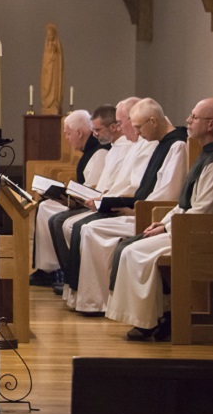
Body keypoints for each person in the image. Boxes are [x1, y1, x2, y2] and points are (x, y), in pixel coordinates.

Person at [106, 98, 213, 341]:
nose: (188, 120)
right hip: (186, 228)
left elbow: (202, 212)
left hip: (199, 235)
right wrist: (164, 223)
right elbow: (185, 203)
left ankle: (149, 321)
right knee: (131, 247)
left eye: (194, 117)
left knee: (136, 253)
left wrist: (169, 228)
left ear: (210, 124)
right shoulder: (205, 155)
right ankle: (160, 314)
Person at [65, 98, 188, 315]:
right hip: (143, 209)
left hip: (150, 214)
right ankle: (93, 300)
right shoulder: (163, 143)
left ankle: (100, 302)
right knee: (86, 228)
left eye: (138, 127)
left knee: (92, 230)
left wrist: (129, 207)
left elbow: (166, 194)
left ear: (153, 121)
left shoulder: (177, 145)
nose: (138, 134)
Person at [47, 98, 156, 296]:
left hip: (132, 208)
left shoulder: (139, 147)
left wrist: (105, 200)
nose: (125, 128)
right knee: (62, 220)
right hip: (112, 200)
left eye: (124, 123)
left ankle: (89, 292)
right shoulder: (122, 147)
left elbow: (134, 188)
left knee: (75, 225)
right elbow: (112, 184)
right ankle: (75, 284)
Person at [30, 108, 110, 287]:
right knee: (45, 205)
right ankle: (49, 268)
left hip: (93, 205)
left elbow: (94, 190)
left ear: (79, 132)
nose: (67, 138)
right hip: (85, 203)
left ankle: (55, 269)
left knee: (47, 209)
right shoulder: (90, 150)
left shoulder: (100, 152)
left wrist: (67, 196)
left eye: (68, 134)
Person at [40, 23, 63, 115]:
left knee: (53, 86)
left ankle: (54, 102)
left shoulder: (57, 47)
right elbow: (45, 61)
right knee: (46, 85)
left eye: (51, 35)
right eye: (48, 35)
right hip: (47, 71)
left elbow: (59, 61)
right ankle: (47, 103)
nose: (50, 37)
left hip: (54, 73)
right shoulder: (46, 47)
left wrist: (54, 51)